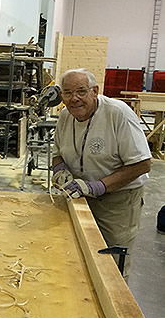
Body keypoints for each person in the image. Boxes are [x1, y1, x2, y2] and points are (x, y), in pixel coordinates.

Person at [52, 68, 151, 279]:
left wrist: (99, 186)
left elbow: (142, 164)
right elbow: (58, 153)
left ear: (95, 91)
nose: (74, 99)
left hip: (118, 200)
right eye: (68, 93)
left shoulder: (118, 113)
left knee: (111, 261)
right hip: (79, 196)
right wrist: (60, 170)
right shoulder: (64, 117)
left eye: (81, 91)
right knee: (75, 254)